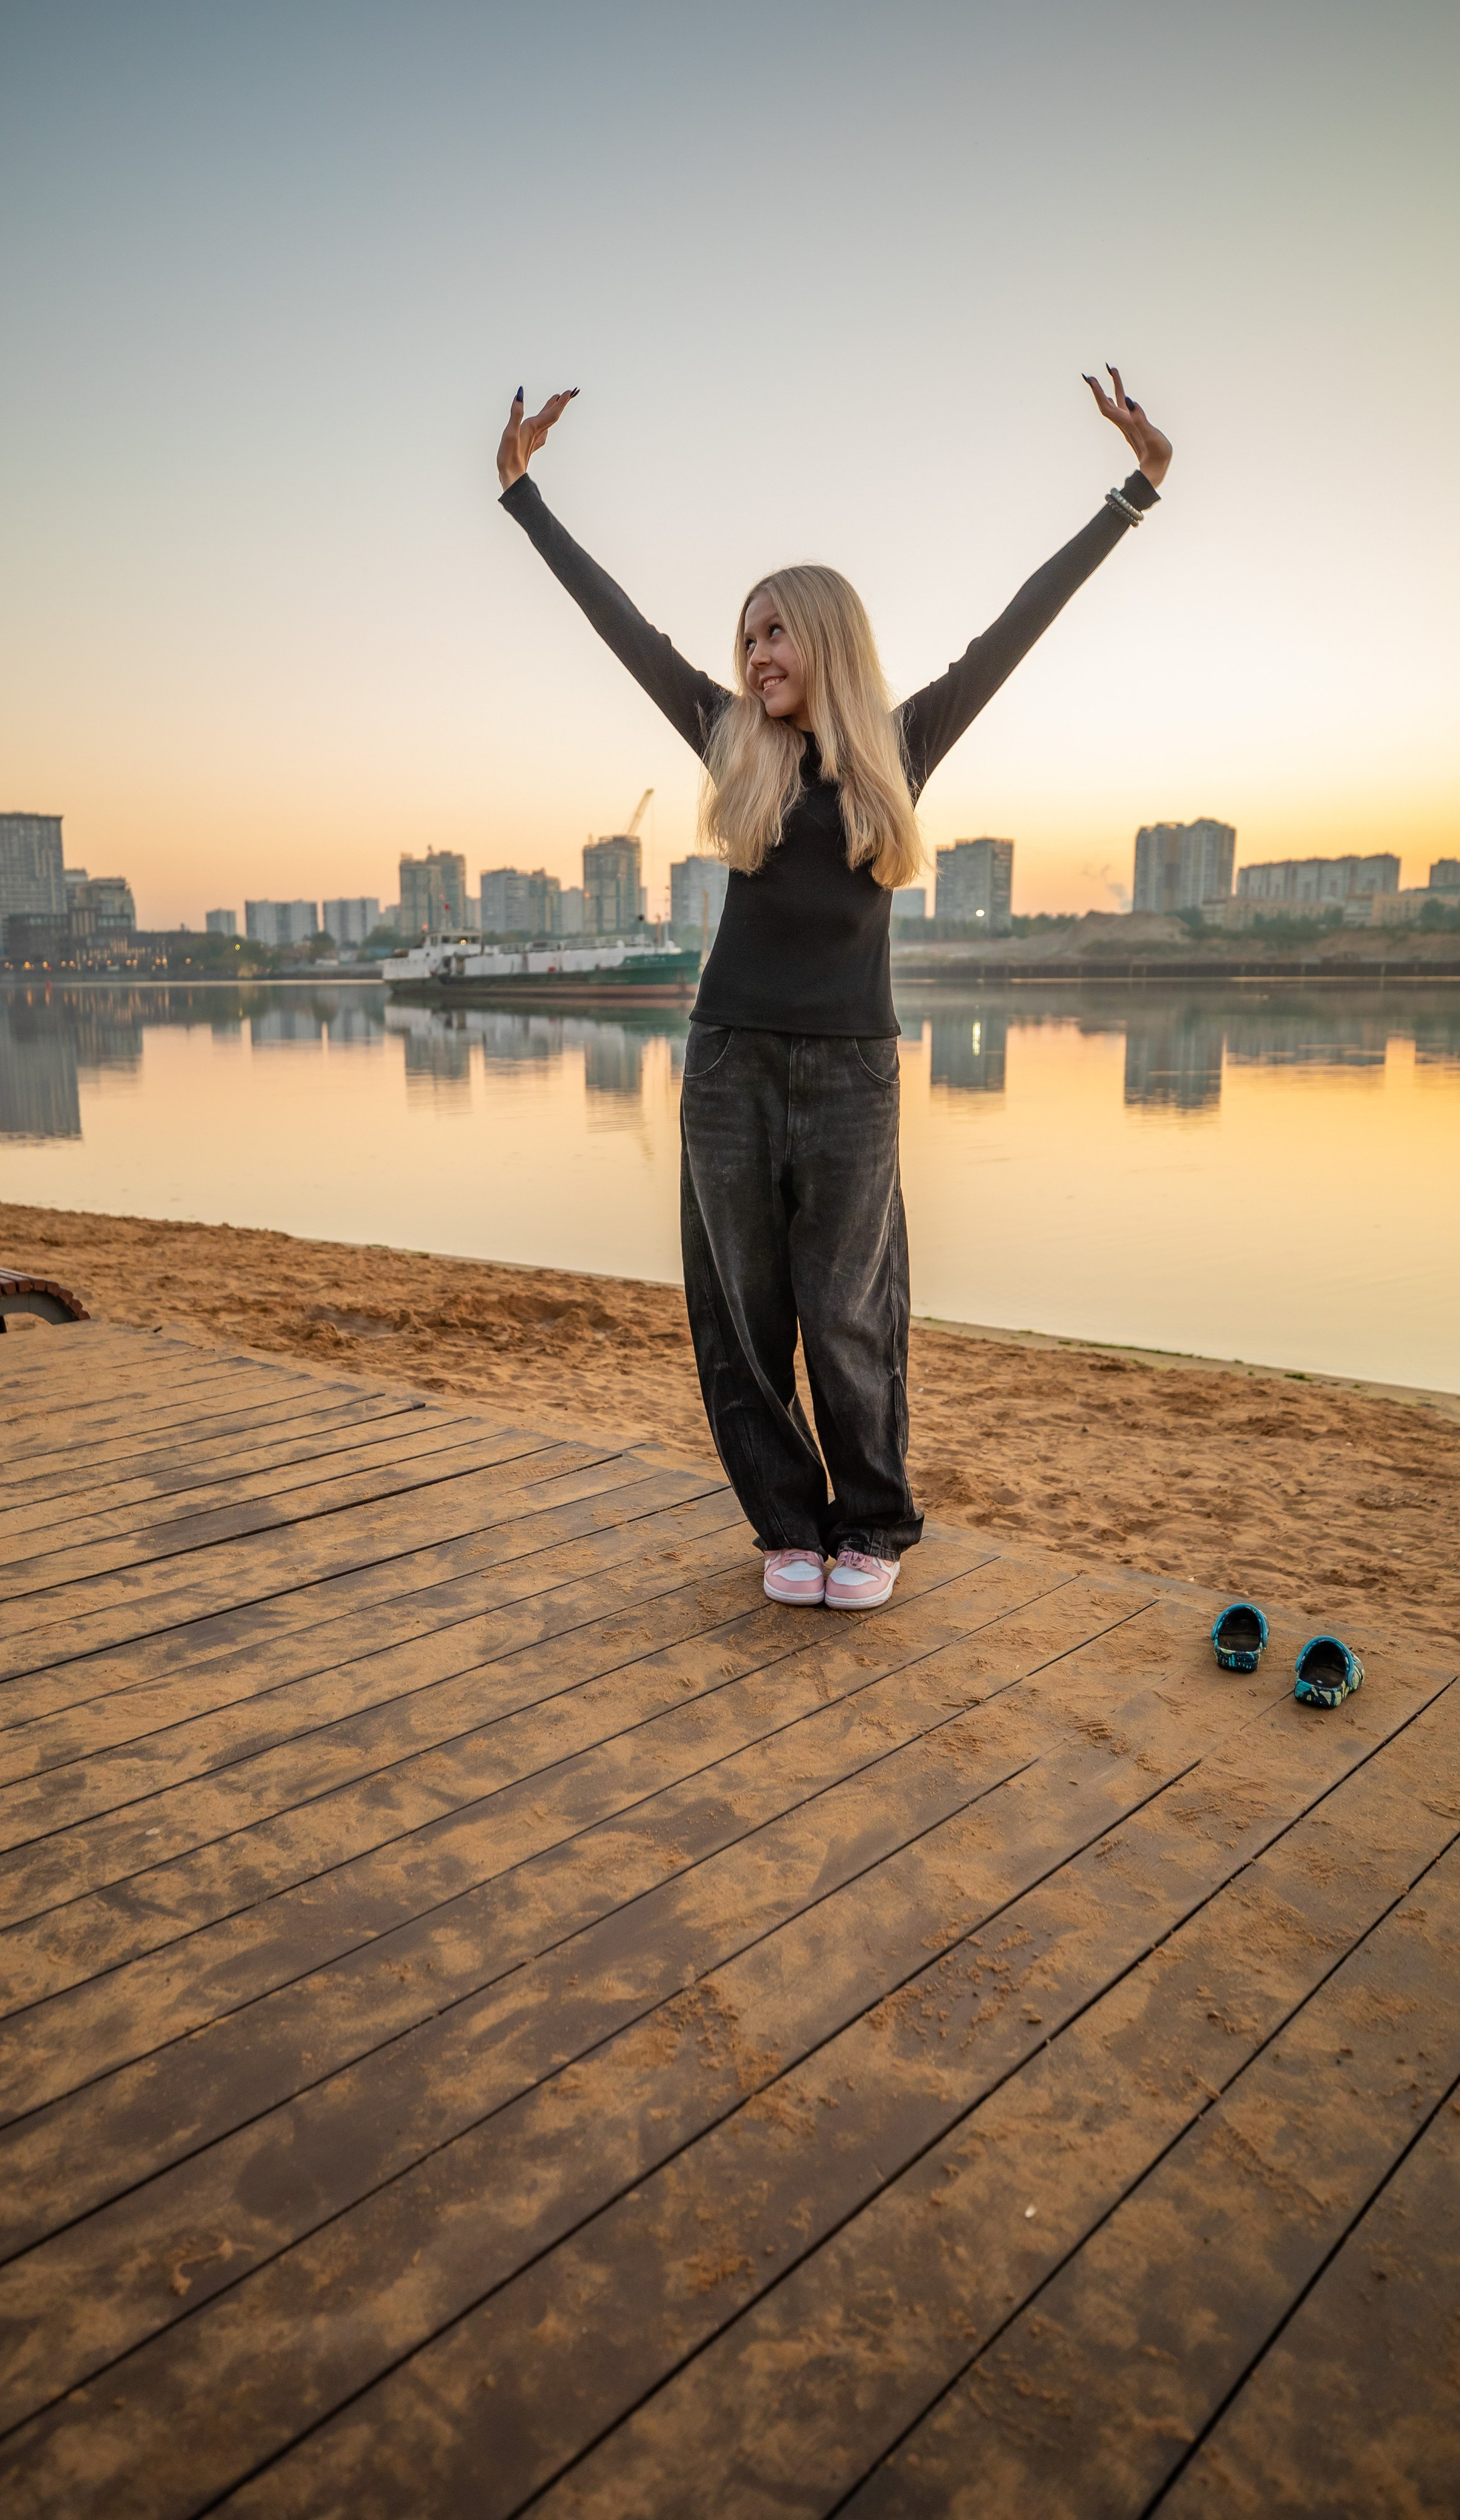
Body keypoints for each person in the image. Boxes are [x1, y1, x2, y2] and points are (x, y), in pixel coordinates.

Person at [496, 369, 1172, 1611]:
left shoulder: (899, 751)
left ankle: (870, 1525)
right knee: (743, 1315)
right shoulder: (721, 737)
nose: (753, 654)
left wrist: (1133, 494)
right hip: (728, 1062)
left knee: (851, 1308)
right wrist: (524, 499)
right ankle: (786, 1525)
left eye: (775, 631)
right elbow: (621, 626)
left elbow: (1018, 627)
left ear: (829, 640)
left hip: (854, 1068)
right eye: (745, 635)